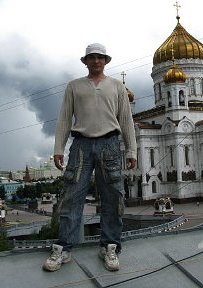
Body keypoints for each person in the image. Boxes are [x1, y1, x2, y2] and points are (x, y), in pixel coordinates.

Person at [43, 43, 137, 272]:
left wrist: (132, 150)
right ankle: (64, 248)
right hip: (81, 145)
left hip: (110, 145)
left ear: (106, 61)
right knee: (71, 197)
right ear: (85, 61)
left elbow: (126, 120)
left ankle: (109, 246)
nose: (96, 61)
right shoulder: (74, 86)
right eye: (92, 57)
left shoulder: (116, 86)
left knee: (113, 198)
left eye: (100, 57)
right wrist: (58, 148)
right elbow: (65, 118)